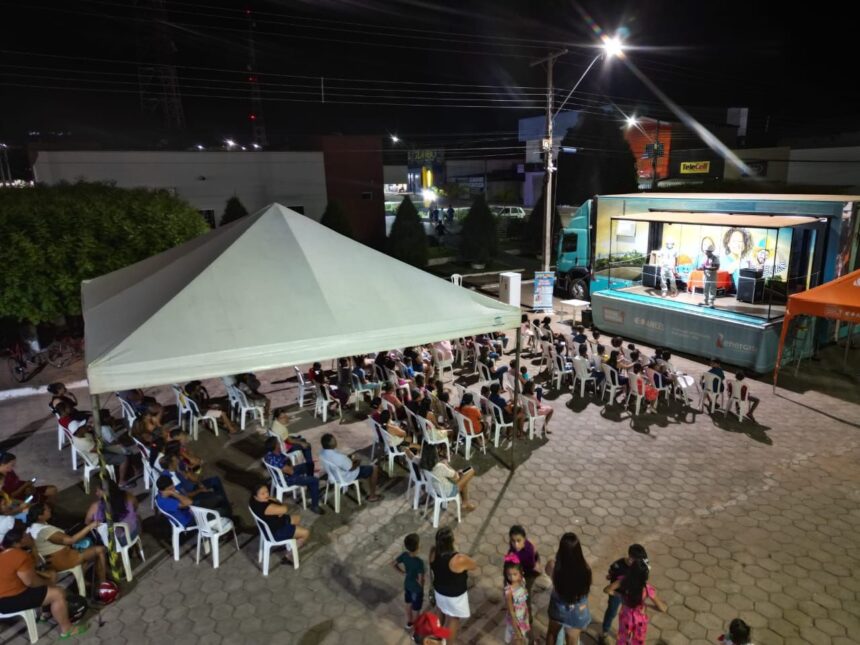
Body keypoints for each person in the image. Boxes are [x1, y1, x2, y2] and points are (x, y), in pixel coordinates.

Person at [0, 528, 86, 639]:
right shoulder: (19, 555)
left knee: (45, 586)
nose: (30, 535)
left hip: (3, 601)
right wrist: (49, 582)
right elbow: (31, 582)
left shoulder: (3, 555)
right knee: (58, 593)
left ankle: (46, 613)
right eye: (26, 535)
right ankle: (68, 629)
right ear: (19, 542)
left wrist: (33, 547)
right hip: (10, 600)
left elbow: (31, 571)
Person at [27, 503, 107, 587]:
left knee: (87, 549)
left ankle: (81, 581)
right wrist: (90, 526)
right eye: (46, 509)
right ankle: (103, 585)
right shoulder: (44, 531)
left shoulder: (37, 528)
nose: (49, 510)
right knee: (100, 550)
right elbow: (70, 540)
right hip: (62, 560)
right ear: (40, 516)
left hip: (55, 559)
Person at [429, 527, 477, 644]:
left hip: (439, 590)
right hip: (455, 596)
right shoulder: (458, 559)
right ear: (452, 541)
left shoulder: (433, 552)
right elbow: (473, 565)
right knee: (453, 619)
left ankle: (437, 638)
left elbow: (431, 569)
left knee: (440, 610)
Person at [603, 559, 667, 645]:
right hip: (640, 620)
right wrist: (649, 605)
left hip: (626, 617)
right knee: (638, 641)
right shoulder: (647, 588)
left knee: (622, 639)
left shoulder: (623, 581)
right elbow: (662, 608)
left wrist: (622, 596)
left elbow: (607, 590)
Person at [545, 532, 592, 645]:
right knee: (572, 640)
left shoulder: (553, 566)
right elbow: (586, 588)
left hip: (558, 608)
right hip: (577, 611)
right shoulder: (586, 569)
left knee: (552, 633)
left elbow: (547, 570)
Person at [249, 481, 310, 566]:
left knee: (297, 518)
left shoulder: (253, 502)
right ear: (255, 496)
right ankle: (288, 556)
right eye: (262, 494)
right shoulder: (266, 507)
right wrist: (275, 502)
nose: (266, 495)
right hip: (275, 532)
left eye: (266, 491)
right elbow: (285, 508)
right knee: (305, 533)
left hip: (272, 523)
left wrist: (276, 506)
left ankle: (291, 540)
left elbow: (280, 509)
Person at [598, 544, 649, 644]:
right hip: (618, 594)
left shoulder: (640, 565)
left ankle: (627, 636)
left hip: (631, 597)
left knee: (630, 619)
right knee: (612, 612)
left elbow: (645, 574)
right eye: (636, 560)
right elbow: (611, 573)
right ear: (630, 558)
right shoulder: (619, 565)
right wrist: (610, 577)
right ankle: (604, 632)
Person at [160, 452, 232, 519]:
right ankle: (227, 512)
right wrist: (200, 490)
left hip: (191, 488)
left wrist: (198, 483)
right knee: (219, 497)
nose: (178, 461)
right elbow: (187, 496)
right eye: (175, 461)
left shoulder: (170, 471)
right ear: (170, 465)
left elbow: (190, 478)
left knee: (215, 480)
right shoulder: (172, 480)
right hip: (192, 496)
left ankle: (225, 506)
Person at [263, 436, 324, 515]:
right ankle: (314, 506)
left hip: (284, 474)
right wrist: (299, 473)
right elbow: (291, 471)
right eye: (278, 443)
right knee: (314, 480)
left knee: (309, 465)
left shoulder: (270, 454)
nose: (280, 444)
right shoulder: (277, 460)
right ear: (275, 446)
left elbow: (287, 464)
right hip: (287, 479)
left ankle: (311, 489)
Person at [319, 434, 383, 502]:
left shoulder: (322, 452)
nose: (336, 441)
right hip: (346, 476)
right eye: (334, 440)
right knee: (374, 468)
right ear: (331, 444)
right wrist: (358, 461)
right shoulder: (338, 457)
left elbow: (342, 462)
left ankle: (374, 480)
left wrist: (350, 459)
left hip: (333, 475)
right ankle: (372, 496)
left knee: (356, 457)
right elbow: (352, 468)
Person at [420, 445, 476, 511]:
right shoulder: (439, 467)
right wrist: (447, 466)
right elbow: (456, 476)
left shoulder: (424, 467)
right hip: (448, 492)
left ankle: (465, 503)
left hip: (436, 489)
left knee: (463, 480)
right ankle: (465, 503)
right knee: (471, 471)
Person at [84, 479, 140, 543]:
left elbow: (87, 522)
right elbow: (135, 507)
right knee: (137, 517)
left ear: (105, 492)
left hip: (114, 543)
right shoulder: (127, 495)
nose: (96, 493)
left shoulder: (95, 506)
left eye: (98, 491)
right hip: (134, 533)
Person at [393, 533, 425, 630]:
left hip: (407, 585)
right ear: (418, 546)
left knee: (408, 604)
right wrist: (422, 583)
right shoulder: (419, 562)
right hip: (416, 589)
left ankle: (409, 622)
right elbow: (420, 580)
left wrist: (403, 573)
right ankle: (416, 626)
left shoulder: (404, 555)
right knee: (416, 609)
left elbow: (392, 564)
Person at [503, 555, 531, 644]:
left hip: (523, 616)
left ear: (520, 572)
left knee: (522, 639)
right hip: (515, 621)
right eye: (509, 574)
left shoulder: (522, 581)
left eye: (515, 574)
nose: (512, 577)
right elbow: (511, 612)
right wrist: (517, 629)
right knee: (518, 640)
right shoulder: (509, 591)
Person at [698, 243, 721, 308]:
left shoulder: (715, 258)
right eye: (706, 251)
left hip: (712, 275)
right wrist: (701, 268)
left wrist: (707, 268)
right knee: (705, 288)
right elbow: (702, 266)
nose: (706, 252)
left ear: (710, 252)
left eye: (707, 251)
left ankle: (711, 302)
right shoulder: (704, 257)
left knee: (712, 289)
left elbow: (717, 267)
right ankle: (705, 301)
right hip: (705, 275)